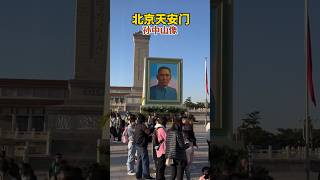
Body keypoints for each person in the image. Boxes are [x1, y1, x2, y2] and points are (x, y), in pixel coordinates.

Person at [133, 113, 155, 179]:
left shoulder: (137, 125)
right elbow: (148, 132)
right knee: (145, 160)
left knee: (139, 160)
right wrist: (152, 127)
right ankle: (146, 175)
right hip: (142, 145)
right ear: (143, 119)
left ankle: (138, 175)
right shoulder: (142, 126)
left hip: (137, 145)